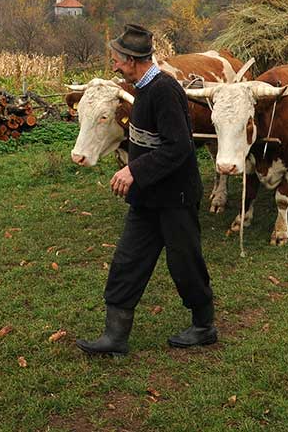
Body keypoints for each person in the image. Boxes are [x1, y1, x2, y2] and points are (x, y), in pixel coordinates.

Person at [76, 24, 217, 356]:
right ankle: (115, 337)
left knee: (185, 264)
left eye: (116, 59)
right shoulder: (140, 87)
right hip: (147, 199)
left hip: (176, 199)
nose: (113, 65)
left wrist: (133, 170)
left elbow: (179, 147)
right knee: (128, 260)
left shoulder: (164, 91)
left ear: (130, 60)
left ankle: (203, 326)